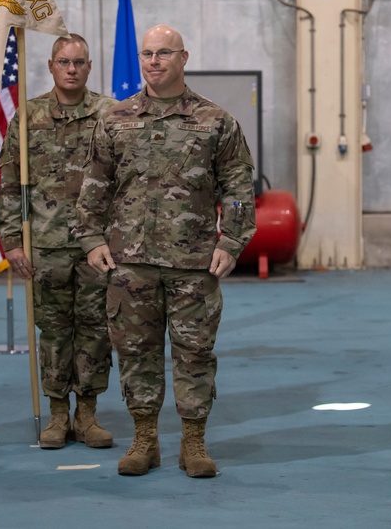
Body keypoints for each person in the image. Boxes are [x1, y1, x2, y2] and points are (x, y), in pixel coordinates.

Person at [75, 24, 256, 478]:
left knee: (194, 353)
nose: (154, 61)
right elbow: (94, 185)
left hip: (193, 264)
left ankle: (193, 443)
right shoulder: (115, 119)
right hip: (129, 261)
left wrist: (232, 240)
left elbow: (238, 187)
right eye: (147, 54)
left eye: (164, 53)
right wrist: (91, 239)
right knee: (136, 352)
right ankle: (145, 440)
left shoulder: (216, 121)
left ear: (183, 57)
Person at [0, 33, 116, 450]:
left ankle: (88, 413)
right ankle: (58, 413)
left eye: (79, 62)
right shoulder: (29, 118)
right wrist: (11, 240)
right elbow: (10, 183)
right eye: (63, 62)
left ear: (90, 66)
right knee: (53, 333)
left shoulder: (110, 115)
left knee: (95, 330)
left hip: (96, 247)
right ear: (50, 66)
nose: (71, 69)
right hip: (45, 245)